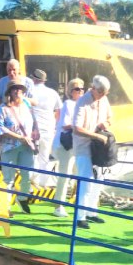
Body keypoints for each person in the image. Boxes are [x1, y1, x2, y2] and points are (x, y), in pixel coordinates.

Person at [72, 75, 114, 229]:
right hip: (83, 146)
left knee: (99, 179)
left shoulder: (104, 100)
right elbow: (76, 128)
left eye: (105, 93)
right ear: (94, 89)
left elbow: (110, 117)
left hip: (99, 146)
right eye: (101, 92)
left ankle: (91, 212)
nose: (103, 95)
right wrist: (95, 135)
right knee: (86, 179)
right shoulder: (83, 102)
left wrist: (105, 124)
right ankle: (80, 216)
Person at [0, 81, 37, 214]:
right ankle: (5, 207)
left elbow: (33, 122)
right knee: (8, 178)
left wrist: (35, 134)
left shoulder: (27, 105)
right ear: (10, 92)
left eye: (20, 89)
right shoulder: (3, 108)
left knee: (28, 174)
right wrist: (18, 137)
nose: (18, 91)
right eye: (15, 89)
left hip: (26, 145)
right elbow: (0, 126)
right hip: (9, 146)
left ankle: (22, 198)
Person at [52, 78, 84, 217]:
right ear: (71, 92)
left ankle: (77, 201)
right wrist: (79, 127)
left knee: (79, 174)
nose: (80, 91)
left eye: (82, 88)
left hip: (78, 146)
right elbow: (65, 124)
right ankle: (58, 206)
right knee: (64, 175)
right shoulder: (68, 104)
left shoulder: (83, 105)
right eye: (77, 89)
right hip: (67, 145)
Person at [29, 68, 62, 186]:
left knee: (33, 157)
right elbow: (59, 111)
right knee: (44, 157)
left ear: (33, 78)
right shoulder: (53, 93)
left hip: (33, 130)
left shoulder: (30, 92)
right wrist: (55, 126)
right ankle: (44, 183)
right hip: (49, 129)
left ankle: (33, 183)